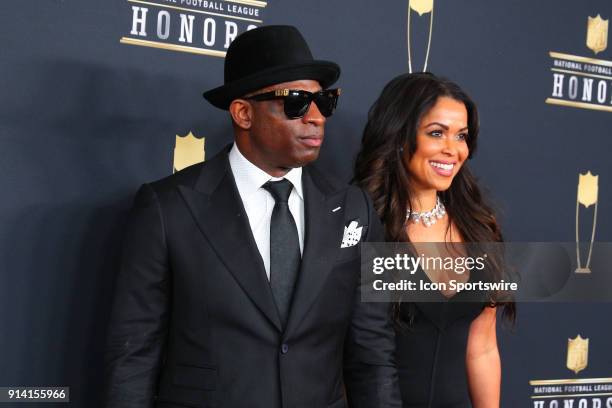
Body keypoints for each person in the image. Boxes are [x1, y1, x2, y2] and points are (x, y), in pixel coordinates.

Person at [104, 25, 401, 408]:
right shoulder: (167, 208)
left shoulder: (355, 209)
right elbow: (133, 354)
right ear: (243, 113)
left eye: (324, 101)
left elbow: (373, 350)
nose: (316, 118)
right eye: (296, 101)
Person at [354, 72, 515, 408]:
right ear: (399, 136)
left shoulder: (480, 227)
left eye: (462, 136)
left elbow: (482, 347)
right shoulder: (362, 225)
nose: (452, 150)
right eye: (436, 133)